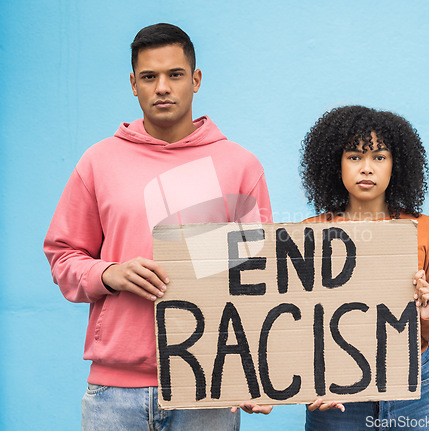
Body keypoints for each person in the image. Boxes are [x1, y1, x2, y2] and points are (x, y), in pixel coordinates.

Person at [44, 23, 273, 430]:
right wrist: (108, 273)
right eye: (149, 77)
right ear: (134, 84)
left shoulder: (241, 166)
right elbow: (63, 257)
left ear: (196, 79)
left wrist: (253, 372)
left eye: (175, 75)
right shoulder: (98, 162)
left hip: (208, 388)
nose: (162, 87)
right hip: (114, 395)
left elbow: (261, 277)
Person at [299, 105, 429, 430]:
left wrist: (427, 315)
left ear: (395, 165)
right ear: (336, 164)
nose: (367, 168)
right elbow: (294, 324)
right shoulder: (308, 234)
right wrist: (309, 380)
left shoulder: (424, 229)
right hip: (338, 394)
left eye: (379, 157)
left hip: (417, 390)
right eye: (355, 157)